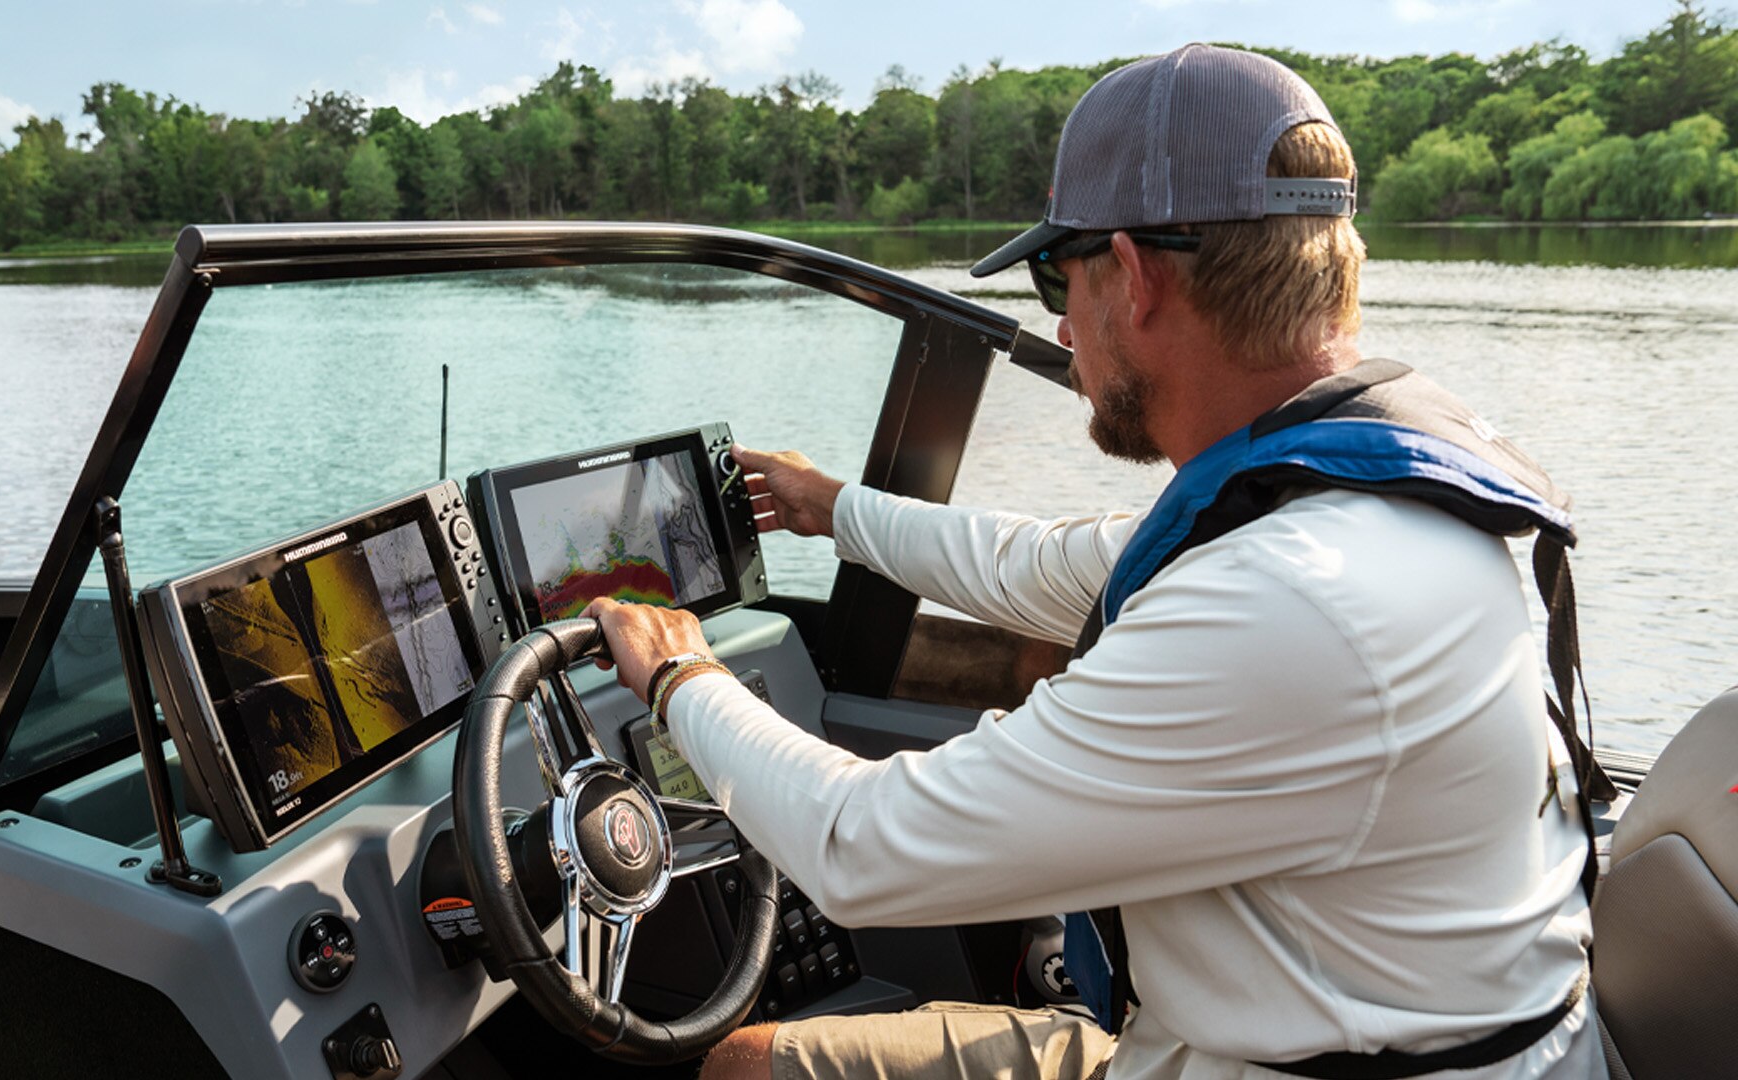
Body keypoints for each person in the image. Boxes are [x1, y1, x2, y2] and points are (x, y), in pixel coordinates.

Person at [589, 44, 1608, 1080]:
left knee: (737, 1068)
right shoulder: (1361, 498)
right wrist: (834, 510)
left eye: (1054, 280)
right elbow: (1045, 565)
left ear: (1133, 275)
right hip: (1333, 1036)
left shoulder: (1289, 599)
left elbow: (864, 849)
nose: (1065, 326)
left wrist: (681, 676)